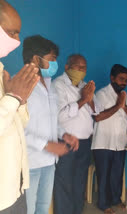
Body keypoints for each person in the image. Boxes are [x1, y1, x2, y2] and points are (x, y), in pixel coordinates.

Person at [22, 35, 79, 214]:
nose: (55, 63)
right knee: (28, 210)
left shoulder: (49, 86)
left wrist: (63, 134)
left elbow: (51, 120)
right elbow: (17, 129)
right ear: (35, 59)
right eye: (51, 59)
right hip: (30, 162)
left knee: (43, 207)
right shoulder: (21, 86)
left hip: (49, 162)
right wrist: (47, 145)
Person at [0, 1, 40, 213]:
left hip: (15, 184)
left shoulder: (1, 70)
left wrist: (20, 101)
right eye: (11, 33)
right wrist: (13, 97)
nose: (17, 41)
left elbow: (19, 124)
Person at [53, 54, 99, 214]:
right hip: (66, 141)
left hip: (85, 142)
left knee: (79, 181)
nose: (81, 70)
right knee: (64, 182)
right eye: (77, 66)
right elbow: (60, 116)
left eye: (84, 67)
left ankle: (76, 211)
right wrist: (83, 100)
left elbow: (96, 111)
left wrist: (90, 98)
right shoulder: (58, 85)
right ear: (67, 67)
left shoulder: (85, 86)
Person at [92, 64, 127, 214]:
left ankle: (116, 200)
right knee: (104, 175)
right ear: (112, 78)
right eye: (121, 79)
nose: (124, 82)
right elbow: (98, 117)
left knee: (116, 174)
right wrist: (118, 106)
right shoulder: (101, 95)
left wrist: (123, 106)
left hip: (119, 142)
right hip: (103, 142)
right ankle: (104, 205)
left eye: (126, 80)